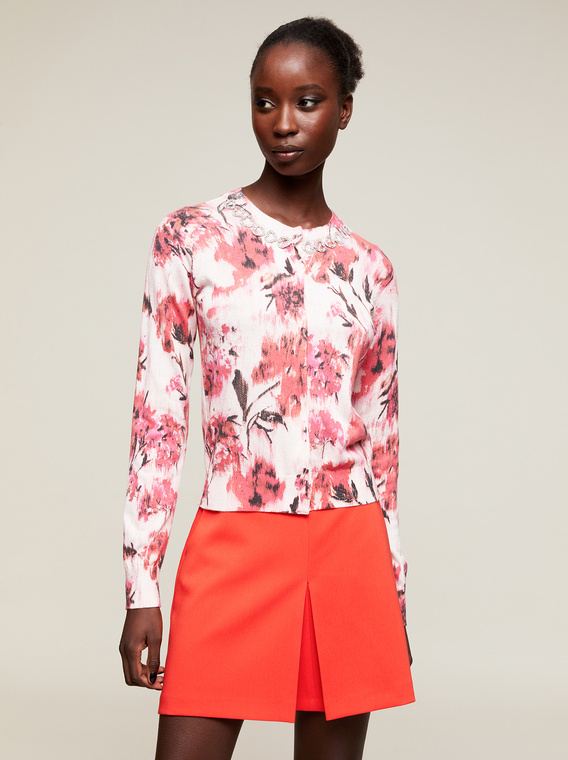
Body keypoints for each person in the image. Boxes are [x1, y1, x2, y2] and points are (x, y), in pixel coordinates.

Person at [119, 16, 415, 760]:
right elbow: (159, 414)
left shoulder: (368, 267)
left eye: (307, 102)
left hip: (349, 549)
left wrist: (394, 591)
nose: (283, 123)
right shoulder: (191, 237)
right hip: (236, 536)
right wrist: (141, 586)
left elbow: (381, 444)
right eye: (264, 102)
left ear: (344, 109)